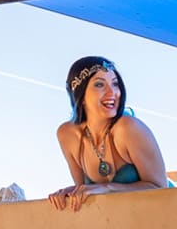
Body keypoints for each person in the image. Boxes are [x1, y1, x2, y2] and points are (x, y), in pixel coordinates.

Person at [48, 56, 168, 211]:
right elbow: (85, 197)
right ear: (80, 95)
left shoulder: (128, 128)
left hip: (165, 218)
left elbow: (161, 189)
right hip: (119, 224)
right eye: (99, 85)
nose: (113, 92)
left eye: (115, 83)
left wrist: (108, 188)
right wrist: (71, 192)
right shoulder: (68, 135)